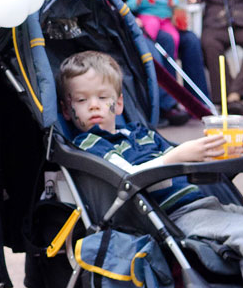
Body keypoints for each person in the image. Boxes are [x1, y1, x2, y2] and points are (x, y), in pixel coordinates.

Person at [58, 49, 243, 253]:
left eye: (102, 97)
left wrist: (215, 156)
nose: (93, 106)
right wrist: (174, 157)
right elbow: (125, 178)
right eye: (82, 100)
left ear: (119, 104)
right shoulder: (90, 143)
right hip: (173, 216)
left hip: (206, 203)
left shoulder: (142, 134)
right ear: (67, 110)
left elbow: (188, 166)